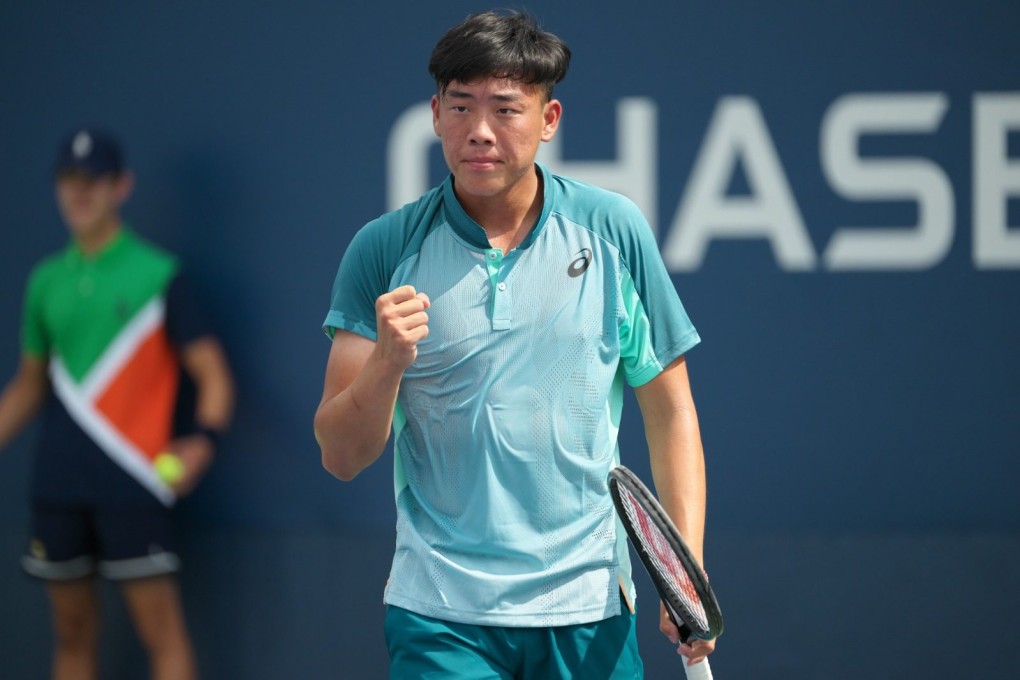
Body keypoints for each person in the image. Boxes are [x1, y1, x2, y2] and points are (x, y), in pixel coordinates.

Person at [314, 10, 715, 678]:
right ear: (435, 113)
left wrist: (684, 573)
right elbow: (340, 455)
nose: (479, 131)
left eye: (505, 109)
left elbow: (671, 410)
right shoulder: (382, 249)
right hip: (440, 613)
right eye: (461, 106)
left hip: (588, 606)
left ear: (549, 119)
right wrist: (386, 361)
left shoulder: (614, 231)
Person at [0, 126, 235, 680]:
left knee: (162, 634)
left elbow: (214, 376)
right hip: (58, 486)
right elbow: (29, 385)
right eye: (68, 180)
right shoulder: (45, 281)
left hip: (135, 478)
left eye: (94, 180)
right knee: (72, 635)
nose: (79, 193)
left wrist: (202, 443)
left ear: (120, 186)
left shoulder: (158, 275)